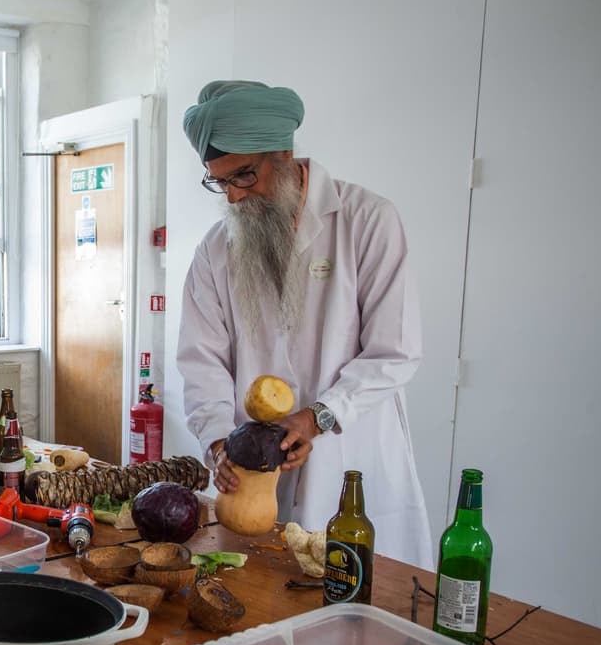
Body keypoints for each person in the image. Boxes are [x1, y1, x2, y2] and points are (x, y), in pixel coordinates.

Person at [176, 80, 432, 568]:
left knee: (360, 607)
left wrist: (318, 417)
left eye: (244, 176)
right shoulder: (215, 250)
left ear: (284, 154)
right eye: (220, 181)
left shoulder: (366, 220)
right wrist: (216, 442)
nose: (232, 197)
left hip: (349, 456)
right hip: (253, 479)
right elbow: (200, 359)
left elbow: (394, 352)